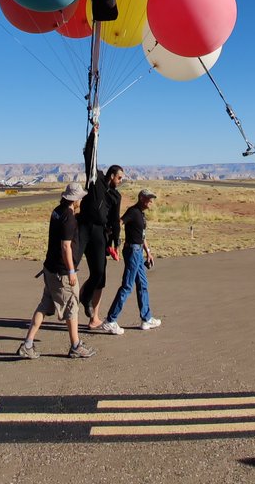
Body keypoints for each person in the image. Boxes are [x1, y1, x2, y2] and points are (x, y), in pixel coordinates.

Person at [17, 183, 96, 360]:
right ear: (74, 199)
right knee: (72, 306)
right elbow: (66, 246)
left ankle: (28, 344)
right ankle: (75, 346)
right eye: (80, 198)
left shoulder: (57, 211)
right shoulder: (69, 218)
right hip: (62, 272)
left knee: (45, 305)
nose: (81, 200)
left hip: (50, 269)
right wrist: (71, 271)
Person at [78, 127, 124, 329]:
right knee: (68, 265)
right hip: (82, 228)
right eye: (120, 178)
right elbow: (89, 157)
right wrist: (93, 135)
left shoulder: (116, 196)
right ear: (112, 175)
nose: (121, 182)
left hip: (99, 233)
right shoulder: (95, 179)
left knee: (99, 274)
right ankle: (54, 303)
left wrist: (115, 244)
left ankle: (89, 306)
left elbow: (114, 221)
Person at [100, 189, 162, 334]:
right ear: (141, 198)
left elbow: (142, 236)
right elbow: (119, 223)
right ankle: (110, 320)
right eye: (149, 198)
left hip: (139, 252)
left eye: (152, 199)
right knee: (127, 286)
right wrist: (110, 236)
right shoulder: (133, 211)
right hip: (132, 251)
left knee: (143, 284)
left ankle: (146, 319)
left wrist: (148, 252)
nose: (151, 201)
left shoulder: (141, 214)